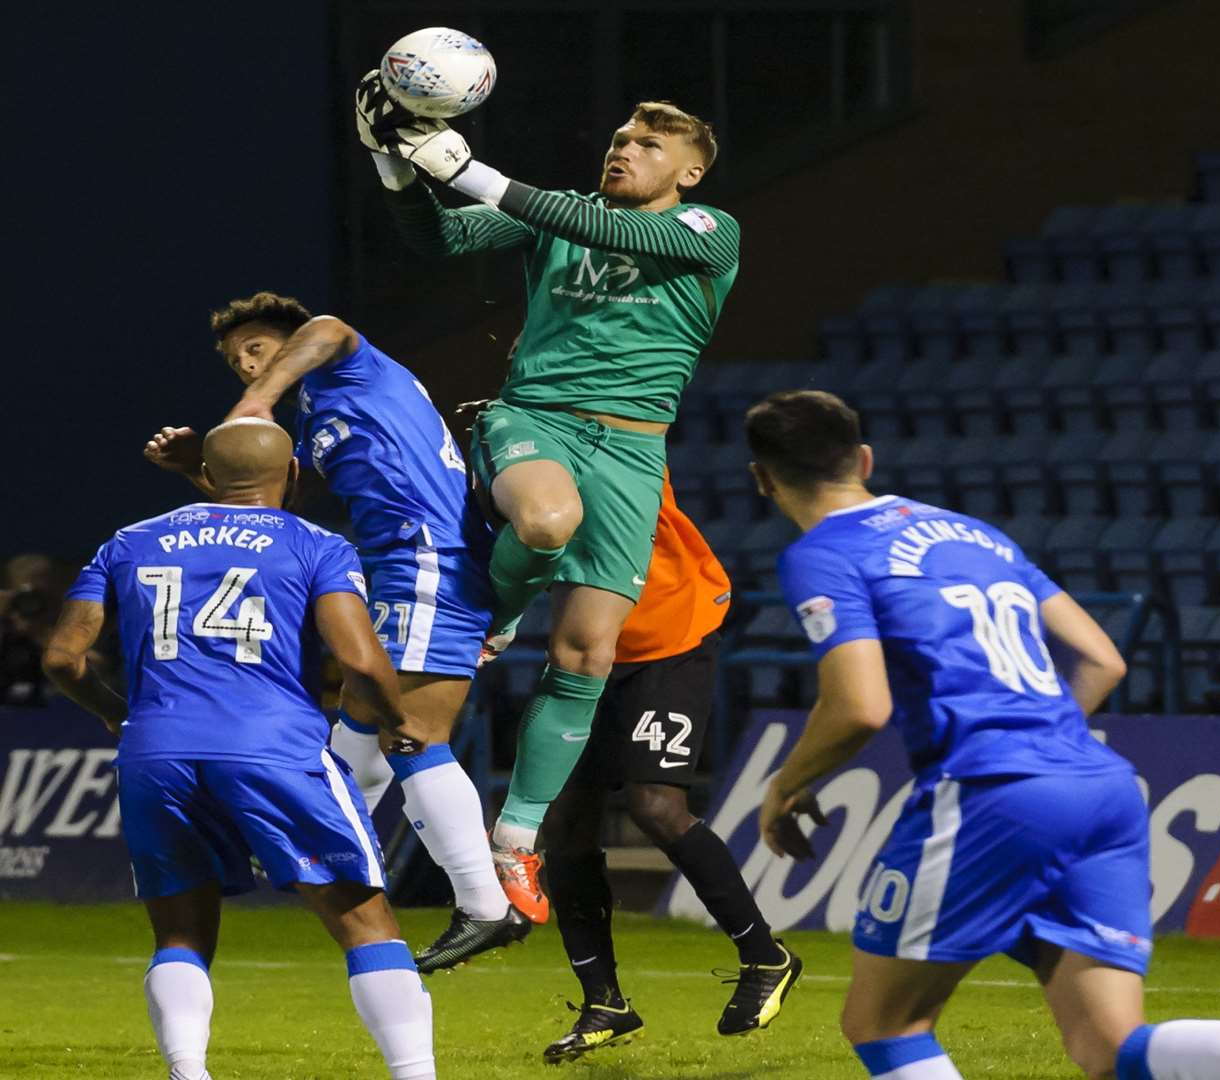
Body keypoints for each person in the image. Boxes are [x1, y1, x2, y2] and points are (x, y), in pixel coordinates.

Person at [748, 390, 1220, 1080]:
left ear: (763, 478)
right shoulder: (975, 534)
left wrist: (786, 783)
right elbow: (1104, 659)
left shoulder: (824, 553)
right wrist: (1045, 748)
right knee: (1108, 1048)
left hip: (995, 787)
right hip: (1098, 783)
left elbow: (859, 705)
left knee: (884, 1024)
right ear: (864, 459)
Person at [353, 72, 740, 919]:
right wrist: (396, 169)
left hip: (636, 454)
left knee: (588, 656)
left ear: (689, 174)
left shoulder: (709, 230)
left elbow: (576, 222)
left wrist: (470, 168)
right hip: (538, 421)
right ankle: (497, 614)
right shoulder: (554, 210)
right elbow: (437, 241)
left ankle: (512, 842)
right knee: (546, 519)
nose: (624, 151)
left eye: (648, 145)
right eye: (619, 141)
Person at [41, 418, 437, 1080]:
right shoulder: (317, 544)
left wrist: (117, 713)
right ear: (294, 474)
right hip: (273, 745)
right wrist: (396, 717)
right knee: (368, 924)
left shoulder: (129, 541)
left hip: (157, 751)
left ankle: (188, 1072)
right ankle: (415, 1073)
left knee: (180, 935)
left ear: (208, 474)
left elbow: (61, 657)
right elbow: (360, 661)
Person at [143, 292, 524, 972]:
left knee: (408, 736)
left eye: (256, 349)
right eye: (236, 363)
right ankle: (313, 855)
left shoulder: (348, 366)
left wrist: (257, 398)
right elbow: (261, 507)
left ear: (290, 346)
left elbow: (329, 327)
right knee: (351, 751)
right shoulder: (320, 413)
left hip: (429, 559)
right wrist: (193, 473)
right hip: (396, 570)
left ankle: (485, 903)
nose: (246, 366)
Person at [539, 472, 800, 1062]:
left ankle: (766, 956)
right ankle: (603, 1001)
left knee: (655, 806)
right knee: (567, 823)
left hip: (667, 636)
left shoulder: (617, 431)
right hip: (587, 646)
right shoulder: (518, 443)